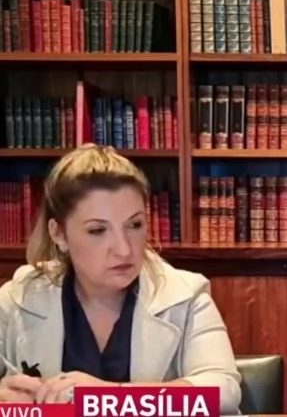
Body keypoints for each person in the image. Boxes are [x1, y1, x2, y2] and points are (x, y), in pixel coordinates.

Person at [0, 144, 241, 413]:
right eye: (97, 230)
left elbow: (223, 392)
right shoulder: (17, 298)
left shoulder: (186, 295)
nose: (125, 250)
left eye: (134, 225)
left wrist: (109, 396)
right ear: (59, 234)